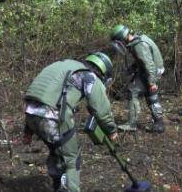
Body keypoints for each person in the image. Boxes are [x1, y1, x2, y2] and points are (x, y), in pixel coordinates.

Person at [23, 52, 118, 192]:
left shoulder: (64, 65)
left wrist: (28, 130)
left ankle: (57, 186)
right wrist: (112, 130)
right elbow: (101, 109)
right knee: (72, 158)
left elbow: (40, 97)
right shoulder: (89, 76)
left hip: (30, 115)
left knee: (57, 150)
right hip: (52, 117)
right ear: (102, 71)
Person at [109, 24, 165, 133]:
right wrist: (133, 68)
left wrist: (152, 82)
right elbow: (142, 60)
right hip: (152, 70)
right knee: (151, 95)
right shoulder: (137, 40)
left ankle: (132, 124)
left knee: (133, 91)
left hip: (152, 71)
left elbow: (149, 64)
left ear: (121, 38)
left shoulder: (138, 45)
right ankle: (159, 122)